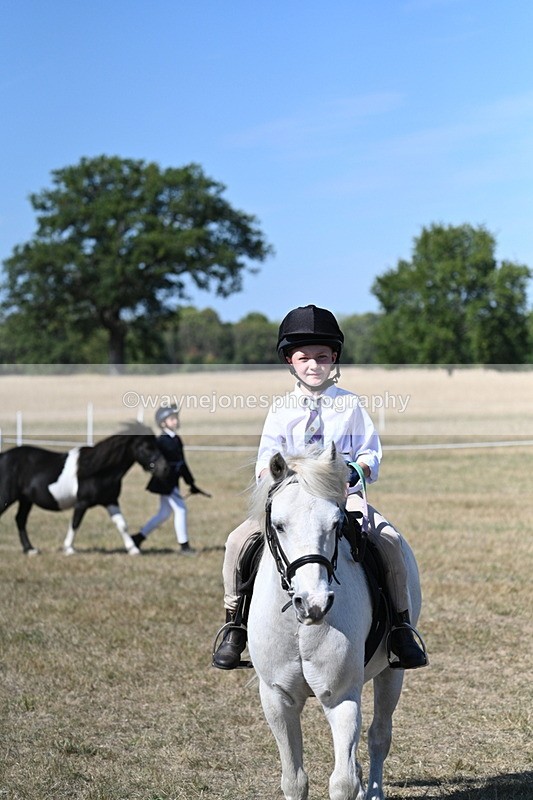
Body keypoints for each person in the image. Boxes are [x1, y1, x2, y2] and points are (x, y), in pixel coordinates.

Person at [212, 304, 428, 670]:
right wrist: (273, 478)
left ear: (334, 359)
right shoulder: (281, 409)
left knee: (389, 541)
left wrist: (351, 475)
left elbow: (370, 454)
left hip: (343, 500)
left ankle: (400, 628)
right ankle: (235, 625)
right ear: (290, 361)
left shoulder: (350, 405)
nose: (314, 365)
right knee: (237, 542)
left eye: (322, 357)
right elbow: (266, 458)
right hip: (292, 501)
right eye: (305, 358)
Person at [132, 405, 206, 554]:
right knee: (181, 509)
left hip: (173, 482)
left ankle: (138, 538)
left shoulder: (176, 439)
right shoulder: (162, 441)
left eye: (175, 418)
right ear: (163, 423)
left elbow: (182, 463)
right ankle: (184, 546)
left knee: (164, 513)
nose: (175, 421)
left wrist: (190, 482)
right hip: (165, 483)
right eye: (172, 419)